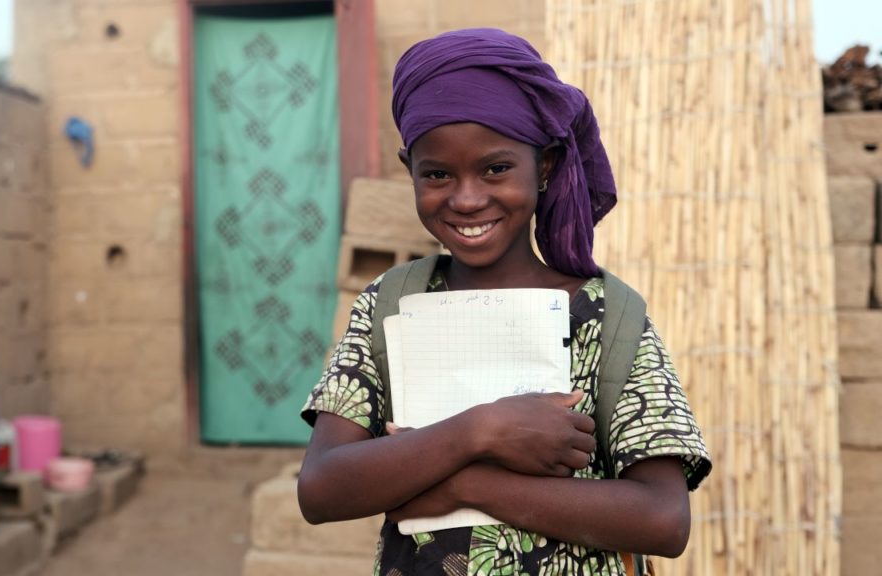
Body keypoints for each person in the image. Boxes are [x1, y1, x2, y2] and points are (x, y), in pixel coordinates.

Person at [298, 28, 711, 576]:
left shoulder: (608, 316)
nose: (467, 198)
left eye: (496, 168)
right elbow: (321, 488)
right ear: (410, 171)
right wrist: (480, 430)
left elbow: (663, 519)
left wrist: (464, 483)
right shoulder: (392, 305)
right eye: (438, 174)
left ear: (544, 165)